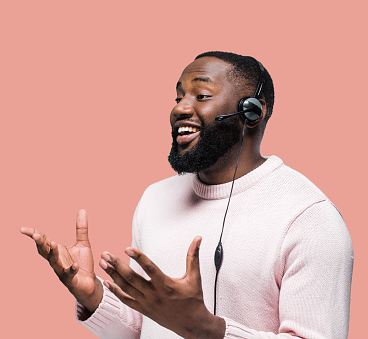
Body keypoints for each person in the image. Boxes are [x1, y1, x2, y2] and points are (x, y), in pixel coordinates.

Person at [21, 51, 354, 338]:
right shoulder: (154, 199)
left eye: (201, 96)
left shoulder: (309, 218)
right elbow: (147, 329)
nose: (180, 108)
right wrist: (94, 296)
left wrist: (207, 330)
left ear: (252, 111)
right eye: (178, 96)